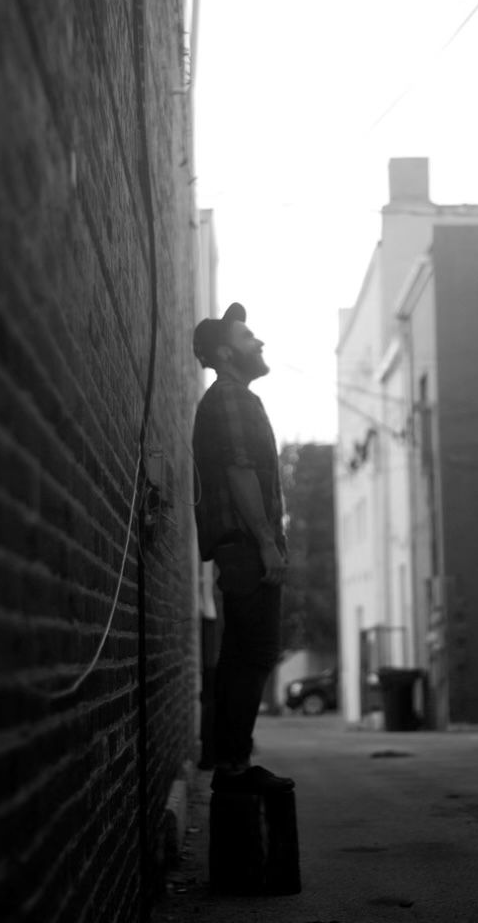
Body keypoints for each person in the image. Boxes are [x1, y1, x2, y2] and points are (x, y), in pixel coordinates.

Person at [192, 302, 294, 793]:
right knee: (254, 652)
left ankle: (232, 763)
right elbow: (239, 470)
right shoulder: (230, 397)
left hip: (242, 545)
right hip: (246, 546)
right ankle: (233, 764)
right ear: (226, 353)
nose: (259, 342)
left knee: (242, 653)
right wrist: (267, 544)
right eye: (248, 336)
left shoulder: (235, 397)